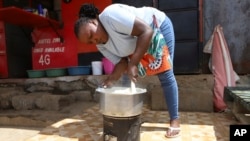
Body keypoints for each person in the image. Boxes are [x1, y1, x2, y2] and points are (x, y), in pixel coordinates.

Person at [74, 3, 180, 138]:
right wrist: (111, 80)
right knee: (126, 77)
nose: (94, 40)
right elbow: (122, 62)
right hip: (140, 41)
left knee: (165, 74)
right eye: (90, 42)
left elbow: (146, 31)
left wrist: (134, 64)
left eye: (91, 34)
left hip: (156, 26)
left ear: (94, 21)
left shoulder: (110, 16)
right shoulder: (101, 46)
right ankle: (128, 117)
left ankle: (174, 120)